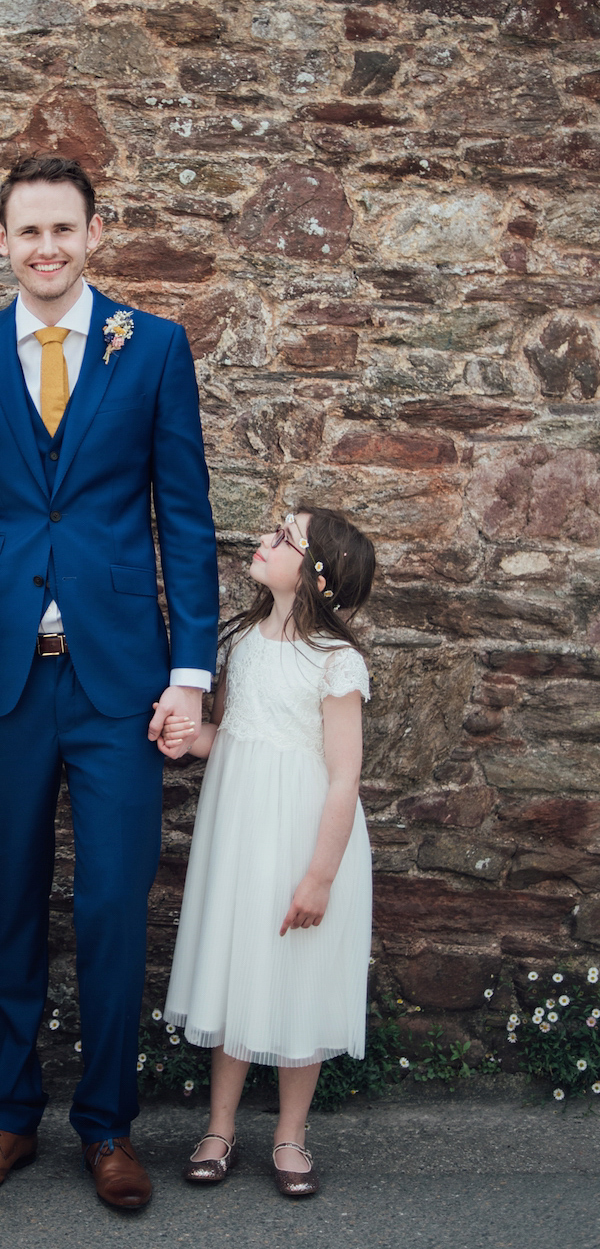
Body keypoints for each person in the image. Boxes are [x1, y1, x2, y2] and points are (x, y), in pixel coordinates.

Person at [0, 154, 219, 1210]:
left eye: (65, 230)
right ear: (0, 237)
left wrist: (190, 671)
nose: (47, 249)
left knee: (109, 903)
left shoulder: (151, 348)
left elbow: (183, 517)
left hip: (122, 683)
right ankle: (6, 1114)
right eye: (29, 232)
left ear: (97, 233)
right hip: (4, 674)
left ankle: (107, 1124)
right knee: (7, 899)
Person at [160, 506, 376, 1198]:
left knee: (296, 973)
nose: (264, 541)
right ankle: (219, 1128)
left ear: (316, 574)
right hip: (241, 831)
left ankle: (290, 1134)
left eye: (283, 538)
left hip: (301, 837)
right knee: (237, 963)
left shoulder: (337, 662)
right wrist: (187, 738)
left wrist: (320, 875)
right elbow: (237, 736)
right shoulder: (245, 640)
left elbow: (343, 775)